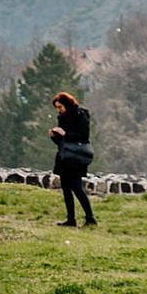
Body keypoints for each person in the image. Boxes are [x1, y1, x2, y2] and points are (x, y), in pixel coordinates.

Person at [50, 90, 96, 227]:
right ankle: (71, 218)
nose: (59, 110)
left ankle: (90, 217)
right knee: (65, 187)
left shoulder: (80, 114)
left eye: (60, 107)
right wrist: (55, 136)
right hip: (65, 156)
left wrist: (65, 133)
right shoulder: (62, 117)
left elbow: (83, 136)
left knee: (76, 187)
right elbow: (63, 141)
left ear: (66, 104)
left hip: (76, 157)